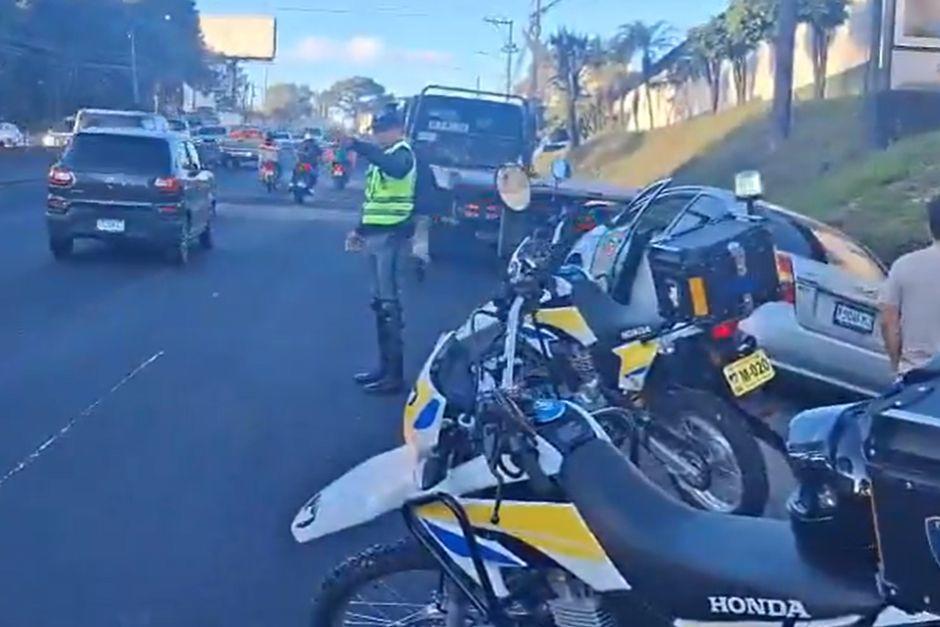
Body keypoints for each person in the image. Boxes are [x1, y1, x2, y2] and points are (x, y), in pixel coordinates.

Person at [341, 109, 416, 394]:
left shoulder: (402, 154)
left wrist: (361, 146)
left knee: (389, 306)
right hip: (375, 235)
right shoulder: (384, 156)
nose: (377, 135)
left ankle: (394, 376)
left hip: (392, 237)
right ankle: (383, 369)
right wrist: (359, 230)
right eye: (374, 131)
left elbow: (396, 169)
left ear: (396, 129)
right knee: (379, 305)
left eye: (381, 130)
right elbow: (374, 201)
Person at [879, 196, 940, 376]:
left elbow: (888, 322)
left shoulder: (903, 266)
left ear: (929, 227)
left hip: (914, 375)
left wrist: (897, 366)